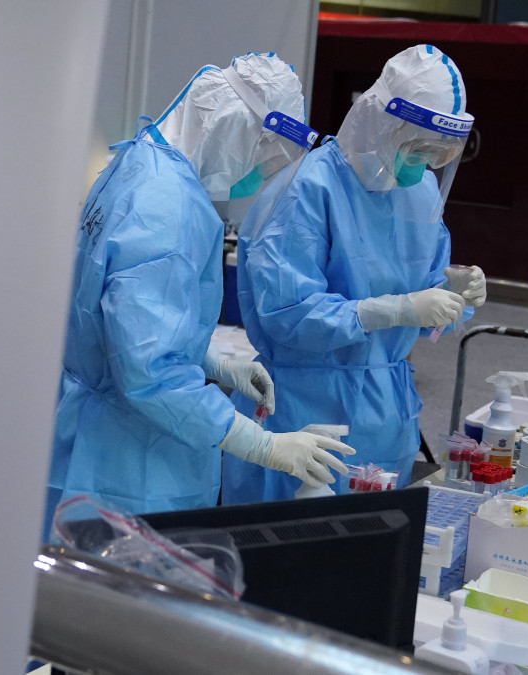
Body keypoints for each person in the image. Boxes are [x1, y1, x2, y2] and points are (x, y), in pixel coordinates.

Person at [46, 53, 355, 537]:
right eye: (264, 150)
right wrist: (264, 445)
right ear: (231, 126)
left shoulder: (138, 161)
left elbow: (121, 319)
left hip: (86, 432)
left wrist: (210, 362)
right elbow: (150, 374)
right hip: (129, 459)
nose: (261, 169)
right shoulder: (169, 208)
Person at [222, 45, 486, 505]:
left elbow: (423, 303)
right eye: (418, 147)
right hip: (306, 409)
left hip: (387, 409)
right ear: (382, 124)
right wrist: (396, 308)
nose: (426, 162)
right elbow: (288, 316)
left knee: (375, 542)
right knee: (289, 548)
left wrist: (452, 295)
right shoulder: (307, 189)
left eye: (438, 153)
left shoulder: (421, 191)